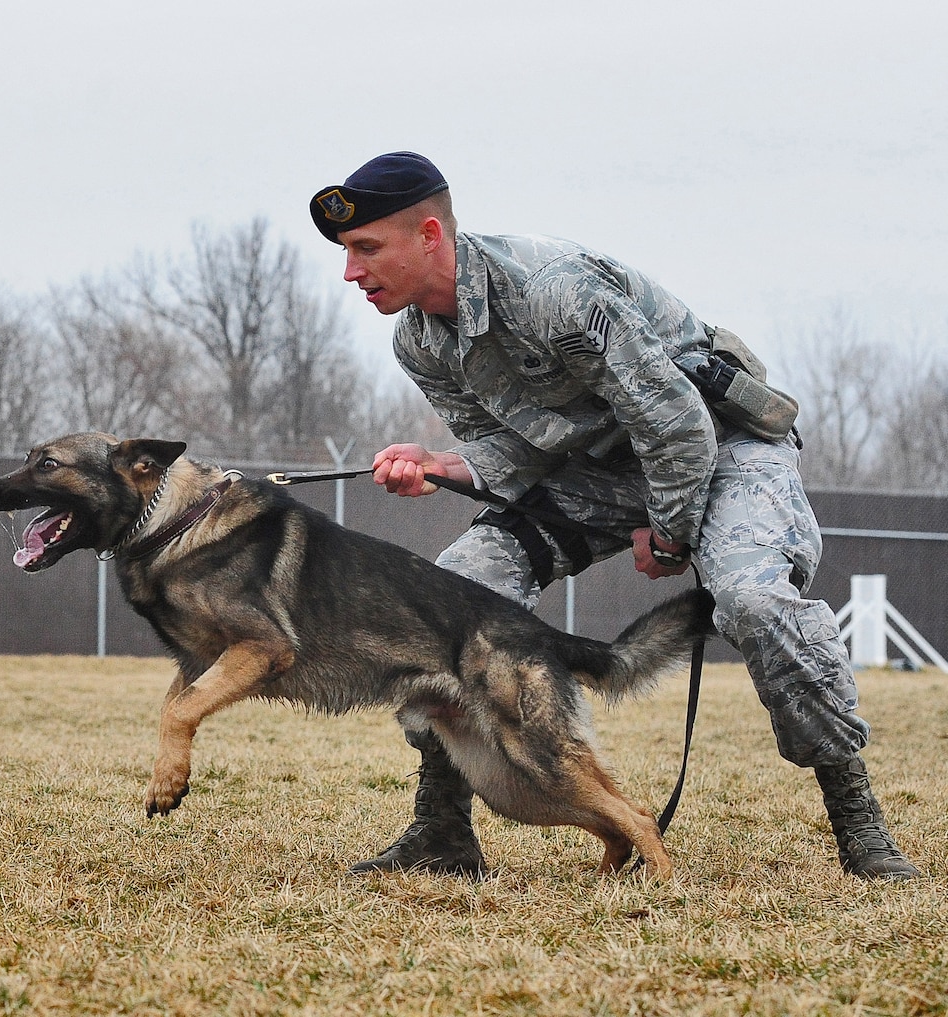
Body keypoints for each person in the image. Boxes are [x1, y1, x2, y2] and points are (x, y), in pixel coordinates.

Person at [311, 151, 919, 880]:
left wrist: (669, 529)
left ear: (430, 233)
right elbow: (517, 447)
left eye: (366, 248)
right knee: (448, 600)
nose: (352, 272)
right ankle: (441, 831)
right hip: (602, 472)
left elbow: (677, 425)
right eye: (348, 253)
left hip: (723, 449)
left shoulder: (552, 290)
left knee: (756, 603)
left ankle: (862, 827)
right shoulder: (419, 340)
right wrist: (450, 464)